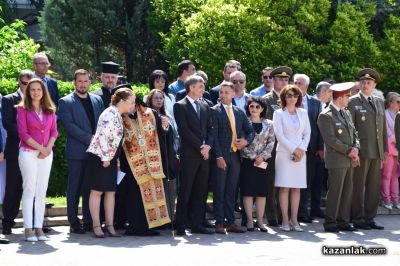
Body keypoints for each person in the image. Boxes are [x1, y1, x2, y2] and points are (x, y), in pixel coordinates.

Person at [58, 69, 105, 234]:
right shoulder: (65, 102)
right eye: (79, 81)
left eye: (86, 81)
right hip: (77, 152)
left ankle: (89, 220)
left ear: (90, 82)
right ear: (74, 82)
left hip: (95, 153)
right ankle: (73, 221)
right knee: (74, 188)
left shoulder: (97, 100)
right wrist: (89, 138)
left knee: (89, 188)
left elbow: (102, 123)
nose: (83, 84)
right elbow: (69, 126)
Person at [86, 87, 136, 238]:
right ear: (122, 101)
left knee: (111, 192)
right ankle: (96, 225)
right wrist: (106, 158)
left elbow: (116, 141)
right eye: (132, 102)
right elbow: (102, 136)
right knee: (97, 191)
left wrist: (117, 160)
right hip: (101, 157)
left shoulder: (117, 114)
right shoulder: (109, 113)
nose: (133, 105)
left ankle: (110, 225)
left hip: (110, 158)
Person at [122, 95, 171, 236]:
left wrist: (165, 126)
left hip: (151, 161)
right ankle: (135, 226)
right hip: (130, 163)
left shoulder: (149, 113)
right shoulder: (120, 115)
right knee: (133, 196)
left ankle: (150, 226)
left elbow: (162, 134)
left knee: (151, 193)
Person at [17, 78, 58, 241]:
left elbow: (54, 131)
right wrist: (42, 149)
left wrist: (47, 149)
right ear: (28, 92)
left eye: (39, 89)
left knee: (42, 191)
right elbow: (23, 134)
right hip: (28, 153)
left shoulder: (50, 109)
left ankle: (39, 228)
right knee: (29, 190)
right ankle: (28, 229)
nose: (36, 92)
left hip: (46, 154)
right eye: (32, 89)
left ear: (43, 92)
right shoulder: (22, 109)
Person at [211, 81, 255, 234]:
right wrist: (218, 156)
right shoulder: (214, 111)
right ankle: (219, 222)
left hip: (235, 156)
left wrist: (246, 141)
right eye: (221, 92)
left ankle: (230, 222)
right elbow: (213, 136)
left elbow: (251, 131)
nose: (223, 95)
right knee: (219, 189)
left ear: (233, 94)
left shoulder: (239, 112)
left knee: (231, 190)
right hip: (221, 156)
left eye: (226, 92)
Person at [173, 75, 214, 236]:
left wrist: (208, 146)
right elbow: (184, 130)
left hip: (204, 155)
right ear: (191, 88)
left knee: (201, 190)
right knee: (186, 190)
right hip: (190, 154)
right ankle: (181, 224)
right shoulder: (180, 106)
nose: (203, 89)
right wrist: (200, 147)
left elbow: (210, 128)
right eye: (200, 86)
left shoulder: (205, 105)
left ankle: (197, 224)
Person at [318, 82, 360, 232]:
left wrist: (355, 148)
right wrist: (350, 150)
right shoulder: (326, 115)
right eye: (348, 96)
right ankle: (330, 222)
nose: (349, 98)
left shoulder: (346, 112)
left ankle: (343, 221)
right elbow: (330, 140)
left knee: (347, 191)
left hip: (349, 159)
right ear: (341, 97)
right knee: (335, 191)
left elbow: (354, 133)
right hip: (337, 159)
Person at [348, 68, 387, 230]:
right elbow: (350, 128)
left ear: (374, 85)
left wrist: (384, 149)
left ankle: (370, 218)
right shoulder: (353, 101)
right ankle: (357, 218)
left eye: (369, 83)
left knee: (373, 187)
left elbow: (382, 128)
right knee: (358, 185)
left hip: (376, 151)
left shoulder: (379, 101)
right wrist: (353, 149)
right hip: (361, 151)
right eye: (363, 82)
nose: (365, 85)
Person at [273, 85, 311, 232]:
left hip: (301, 154)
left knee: (296, 188)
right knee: (284, 187)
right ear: (284, 97)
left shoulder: (303, 112)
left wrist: (301, 149)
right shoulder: (278, 113)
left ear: (298, 98)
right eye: (289, 95)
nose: (292, 98)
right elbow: (279, 135)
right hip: (284, 153)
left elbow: (307, 133)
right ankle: (284, 220)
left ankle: (294, 220)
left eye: (295, 95)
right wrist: (294, 149)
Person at [1, 70, 34, 235]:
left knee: (32, 187)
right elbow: (7, 123)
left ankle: (34, 223)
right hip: (16, 150)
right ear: (18, 83)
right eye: (24, 83)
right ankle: (7, 222)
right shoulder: (9, 99)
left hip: (35, 152)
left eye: (30, 83)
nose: (27, 86)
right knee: (13, 187)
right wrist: (27, 137)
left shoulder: (38, 100)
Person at [262, 66, 292, 227]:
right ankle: (271, 215)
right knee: (271, 182)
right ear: (272, 80)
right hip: (272, 148)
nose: (283, 81)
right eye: (280, 79)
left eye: (286, 79)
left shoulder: (292, 99)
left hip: (288, 148)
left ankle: (284, 215)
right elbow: (267, 126)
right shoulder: (266, 100)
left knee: (285, 182)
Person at [240, 96, 275, 232]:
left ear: (262, 109)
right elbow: (241, 141)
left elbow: (271, 141)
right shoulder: (244, 122)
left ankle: (260, 221)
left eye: (257, 107)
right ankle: (249, 220)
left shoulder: (269, 124)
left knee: (262, 192)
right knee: (248, 192)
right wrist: (254, 157)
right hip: (248, 162)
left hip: (263, 163)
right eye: (251, 106)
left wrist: (262, 157)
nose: (254, 109)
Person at [294, 74, 324, 223]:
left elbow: (319, 127)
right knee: (292, 181)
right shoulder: (288, 99)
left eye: (300, 83)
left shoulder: (316, 103)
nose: (297, 85)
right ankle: (291, 212)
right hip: (292, 148)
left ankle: (303, 212)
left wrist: (320, 147)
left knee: (307, 181)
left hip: (310, 149)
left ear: (306, 86)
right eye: (295, 82)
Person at [146, 89, 179, 220]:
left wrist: (175, 151)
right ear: (150, 100)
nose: (159, 100)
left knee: (170, 189)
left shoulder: (168, 116)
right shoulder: (146, 116)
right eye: (156, 98)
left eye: (161, 98)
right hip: (155, 157)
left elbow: (176, 136)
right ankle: (158, 219)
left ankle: (170, 217)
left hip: (169, 157)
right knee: (156, 190)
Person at [381, 92, 400, 209]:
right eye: (398, 101)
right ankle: (386, 200)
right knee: (386, 175)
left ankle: (395, 200)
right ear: (390, 102)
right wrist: (396, 139)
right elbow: (386, 131)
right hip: (388, 148)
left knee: (395, 175)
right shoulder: (384, 114)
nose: (399, 104)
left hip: (398, 149)